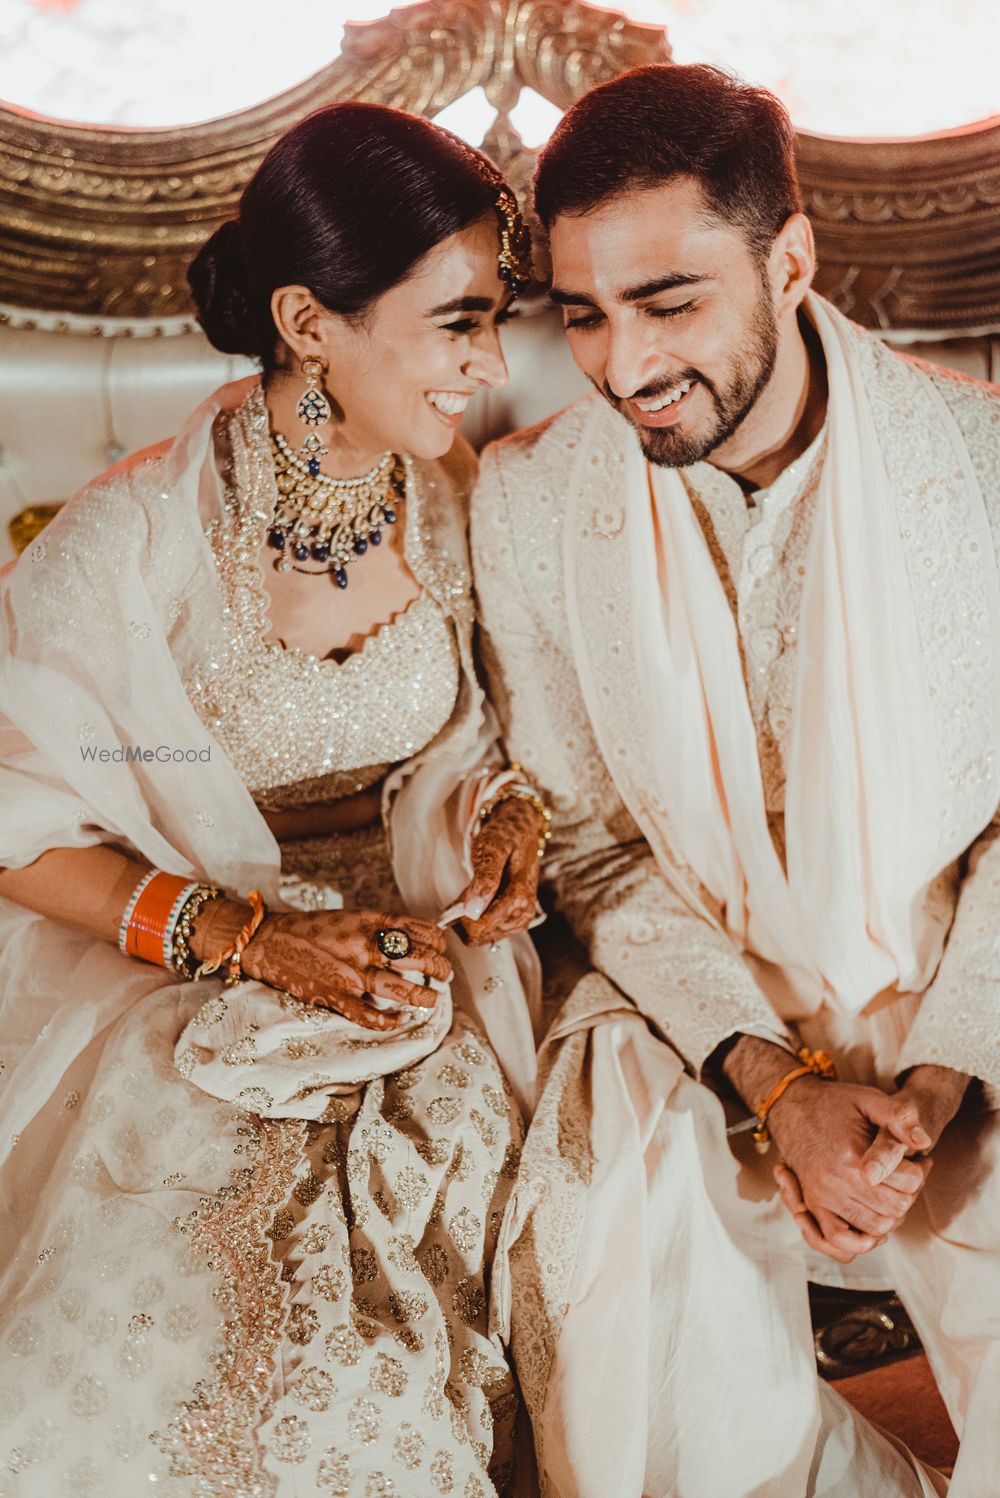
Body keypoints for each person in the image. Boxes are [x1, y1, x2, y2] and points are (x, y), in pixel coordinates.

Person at [0, 102, 547, 1496]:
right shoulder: (130, 540)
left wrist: (498, 823)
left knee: (462, 1333)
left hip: (415, 971)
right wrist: (249, 940)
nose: (492, 363)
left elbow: (470, 740)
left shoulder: (458, 500)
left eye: (495, 319)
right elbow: (10, 814)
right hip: (181, 967)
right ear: (311, 322)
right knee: (164, 1350)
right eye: (459, 321)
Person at [472, 63, 1000, 1498]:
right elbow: (588, 849)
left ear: (792, 257)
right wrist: (775, 1083)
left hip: (966, 1001)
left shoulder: (984, 461)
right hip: (697, 1022)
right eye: (578, 312)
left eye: (669, 301)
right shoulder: (525, 507)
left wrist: (945, 1072)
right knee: (624, 1300)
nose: (621, 366)